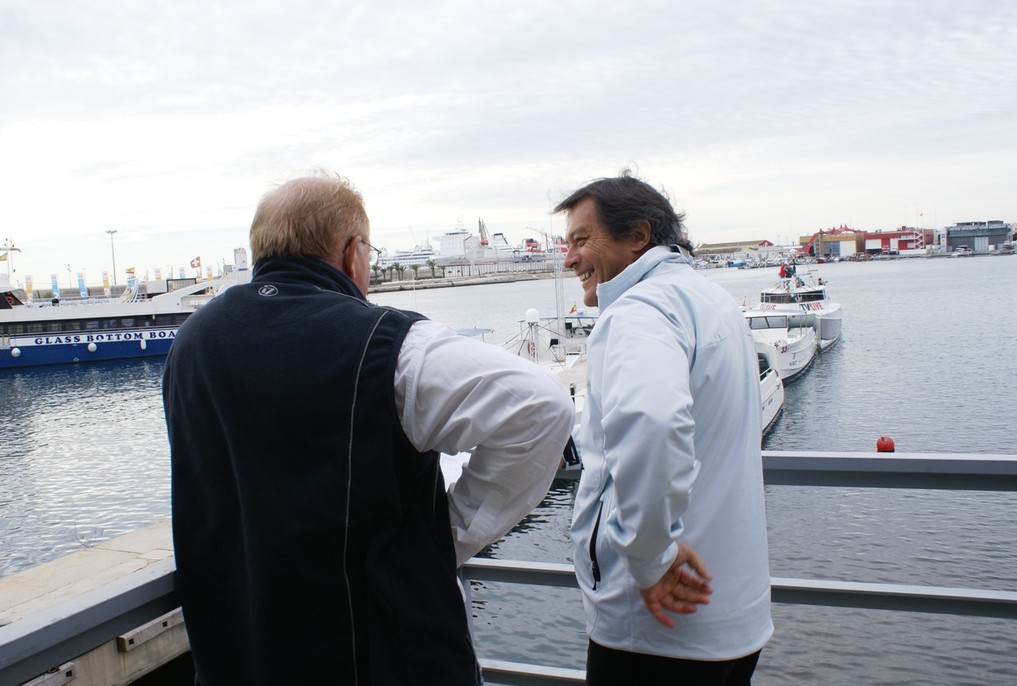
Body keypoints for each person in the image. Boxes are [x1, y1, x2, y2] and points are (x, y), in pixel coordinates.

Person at [163, 172, 574, 685]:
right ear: (354, 252)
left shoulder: (190, 344)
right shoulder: (390, 344)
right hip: (379, 657)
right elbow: (543, 405)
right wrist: (447, 534)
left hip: (241, 655)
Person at [555, 172, 773, 685]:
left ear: (638, 236)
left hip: (656, 626)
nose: (569, 259)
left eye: (582, 240)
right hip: (732, 618)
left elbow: (652, 423)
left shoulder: (638, 310)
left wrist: (650, 558)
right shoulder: (710, 300)